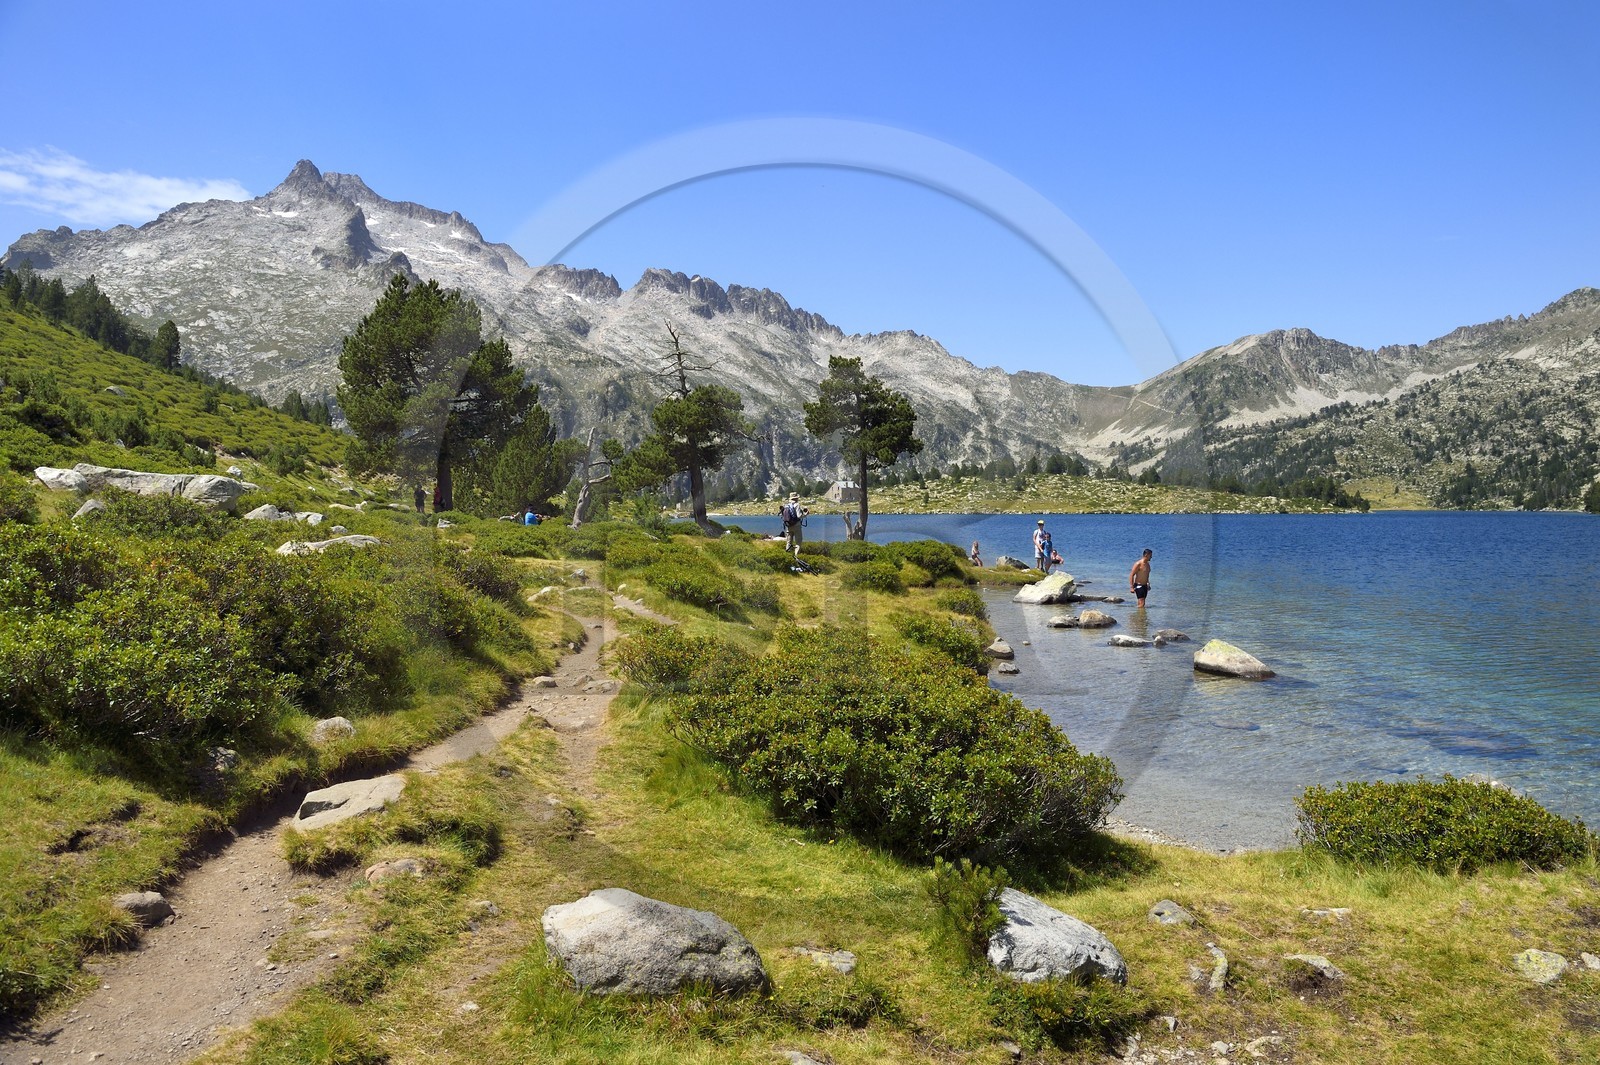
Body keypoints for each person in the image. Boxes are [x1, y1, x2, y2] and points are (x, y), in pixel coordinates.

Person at [780, 492, 809, 557]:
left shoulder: (786, 505)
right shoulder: (797, 505)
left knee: (789, 542)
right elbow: (799, 516)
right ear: (796, 498)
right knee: (798, 542)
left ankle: (787, 556)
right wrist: (805, 514)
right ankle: (797, 557)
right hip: (796, 526)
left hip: (788, 526)